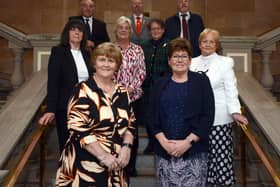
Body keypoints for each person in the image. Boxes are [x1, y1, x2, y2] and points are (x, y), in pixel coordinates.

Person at [55, 42, 135, 187]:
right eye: (102, 59)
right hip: (84, 166)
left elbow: (131, 124)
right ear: (94, 63)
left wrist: (126, 148)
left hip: (116, 167)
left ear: (117, 66)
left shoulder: (123, 92)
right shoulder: (82, 89)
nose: (106, 64)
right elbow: (77, 127)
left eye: (111, 61)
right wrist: (103, 156)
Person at [148, 38, 215, 187]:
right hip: (165, 152)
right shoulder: (159, 84)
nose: (180, 60)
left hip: (194, 152)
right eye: (175, 56)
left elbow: (208, 116)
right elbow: (152, 118)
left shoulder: (202, 81)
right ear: (169, 60)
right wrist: (164, 142)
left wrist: (187, 142)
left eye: (184, 56)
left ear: (190, 60)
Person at [190, 28, 248, 187]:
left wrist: (235, 111)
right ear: (199, 44)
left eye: (211, 41)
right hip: (197, 119)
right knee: (201, 158)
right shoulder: (191, 62)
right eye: (204, 41)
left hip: (219, 119)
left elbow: (231, 88)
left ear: (216, 45)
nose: (207, 44)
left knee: (220, 159)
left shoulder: (225, 62)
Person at [39, 19, 93, 153]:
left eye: (80, 30)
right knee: (68, 146)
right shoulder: (58, 52)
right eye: (73, 29)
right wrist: (50, 109)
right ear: (67, 33)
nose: (76, 32)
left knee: (87, 145)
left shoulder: (87, 54)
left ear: (83, 35)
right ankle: (67, 173)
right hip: (66, 107)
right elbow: (53, 82)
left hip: (87, 106)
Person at [115, 16, 146, 177]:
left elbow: (142, 72)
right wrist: (119, 89)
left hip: (134, 98)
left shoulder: (137, 50)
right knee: (115, 132)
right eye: (120, 27)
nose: (123, 30)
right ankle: (115, 165)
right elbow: (104, 70)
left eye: (126, 28)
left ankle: (131, 166)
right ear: (116, 30)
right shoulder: (110, 48)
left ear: (130, 31)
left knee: (131, 132)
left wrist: (131, 88)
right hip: (113, 98)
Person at [140, 18, 170, 154]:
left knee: (161, 116)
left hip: (164, 87)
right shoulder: (144, 45)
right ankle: (151, 142)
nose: (156, 31)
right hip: (147, 88)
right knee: (148, 116)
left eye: (158, 28)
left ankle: (160, 142)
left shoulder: (169, 45)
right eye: (153, 29)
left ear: (163, 30)